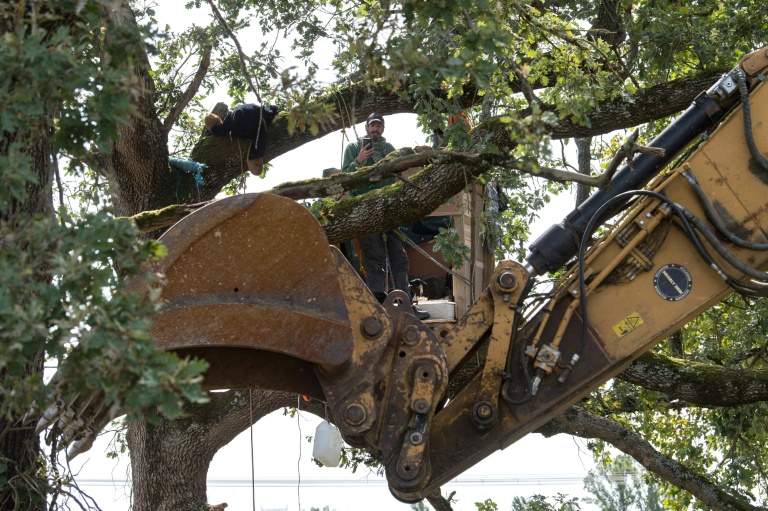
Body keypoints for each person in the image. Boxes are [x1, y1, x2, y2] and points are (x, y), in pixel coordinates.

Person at [341, 113, 429, 320]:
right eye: (372, 125)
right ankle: (378, 308)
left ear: (383, 129)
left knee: (398, 257)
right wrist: (359, 162)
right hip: (366, 208)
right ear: (366, 127)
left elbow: (402, 160)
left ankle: (406, 305)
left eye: (378, 126)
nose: (375, 129)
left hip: (387, 207)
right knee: (374, 259)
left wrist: (418, 151)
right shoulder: (353, 148)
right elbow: (345, 178)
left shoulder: (389, 150)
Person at [205, 104, 280, 176]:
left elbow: (223, 129)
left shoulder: (228, 123)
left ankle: (255, 156)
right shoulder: (231, 119)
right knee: (259, 132)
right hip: (254, 113)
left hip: (242, 117)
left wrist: (213, 129)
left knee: (259, 134)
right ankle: (255, 156)